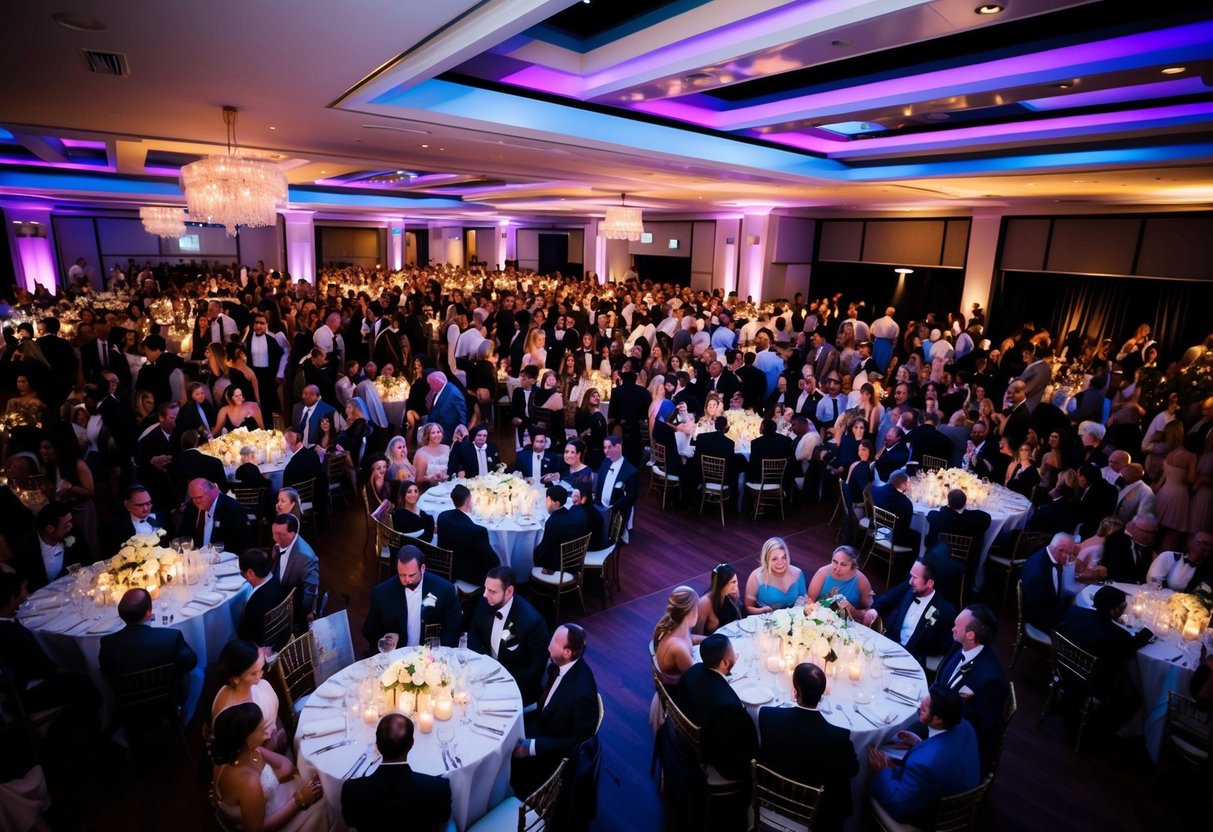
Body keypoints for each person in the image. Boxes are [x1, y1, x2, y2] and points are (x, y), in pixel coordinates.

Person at [758, 663, 858, 832]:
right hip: (816, 811)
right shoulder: (838, 737)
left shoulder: (767, 716)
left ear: (795, 691)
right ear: (822, 694)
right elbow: (853, 770)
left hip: (776, 796)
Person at [868, 686, 981, 827]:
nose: (920, 705)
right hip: (959, 789)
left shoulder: (925, 765)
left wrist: (882, 771)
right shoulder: (965, 726)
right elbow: (943, 752)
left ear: (938, 720)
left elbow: (898, 806)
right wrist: (920, 745)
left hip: (933, 818)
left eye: (925, 709)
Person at [210, 702, 328, 832]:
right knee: (325, 806)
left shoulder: (240, 753)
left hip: (277, 796)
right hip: (274, 819)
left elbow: (287, 765)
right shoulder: (248, 781)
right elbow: (256, 829)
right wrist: (300, 800)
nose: (269, 733)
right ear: (245, 738)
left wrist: (278, 776)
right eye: (261, 730)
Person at [511, 624, 599, 796]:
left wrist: (531, 747)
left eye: (553, 642)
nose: (548, 646)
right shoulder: (561, 664)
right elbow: (545, 701)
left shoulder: (581, 694)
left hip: (550, 752)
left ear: (567, 652)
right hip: (543, 723)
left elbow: (577, 741)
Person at [1055, 586, 1152, 734]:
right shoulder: (1117, 635)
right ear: (1114, 611)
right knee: (1134, 693)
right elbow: (1128, 649)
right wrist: (1147, 634)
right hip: (1088, 682)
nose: (1123, 610)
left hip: (1063, 667)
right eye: (1122, 607)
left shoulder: (1074, 611)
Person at [98, 588, 203, 726]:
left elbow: (106, 673)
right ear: (148, 614)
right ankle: (185, 718)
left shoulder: (107, 643)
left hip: (130, 706)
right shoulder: (170, 637)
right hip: (166, 701)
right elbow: (191, 662)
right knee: (198, 674)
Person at [341, 714, 452, 832]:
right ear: (412, 744)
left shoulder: (352, 791)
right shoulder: (437, 789)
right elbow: (443, 820)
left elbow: (350, 821)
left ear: (377, 744)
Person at [934, 605, 1010, 775]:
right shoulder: (958, 644)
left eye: (957, 626)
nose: (952, 629)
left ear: (970, 635)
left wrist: (939, 723)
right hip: (936, 715)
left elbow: (984, 729)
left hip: (953, 740)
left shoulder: (991, 679)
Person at [675, 633, 757, 783]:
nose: (735, 655)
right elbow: (737, 752)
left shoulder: (693, 670)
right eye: (733, 653)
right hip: (711, 754)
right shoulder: (729, 706)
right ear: (725, 663)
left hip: (687, 734)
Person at [466, 566, 550, 705]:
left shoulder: (532, 622)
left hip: (516, 685)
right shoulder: (486, 602)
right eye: (486, 588)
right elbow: (474, 633)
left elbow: (536, 668)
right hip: (485, 675)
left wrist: (501, 680)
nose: (485, 595)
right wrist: (479, 664)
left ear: (509, 592)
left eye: (492, 591)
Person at [362, 546, 462, 650]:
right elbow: (369, 631)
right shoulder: (382, 592)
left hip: (430, 655)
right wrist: (386, 640)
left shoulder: (445, 590)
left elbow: (453, 629)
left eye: (411, 575)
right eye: (401, 575)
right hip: (396, 655)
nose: (406, 580)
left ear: (422, 568)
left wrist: (435, 653)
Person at [862, 559, 957, 668]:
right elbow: (887, 599)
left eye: (915, 578)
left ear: (930, 583)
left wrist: (921, 660)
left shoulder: (945, 612)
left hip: (913, 662)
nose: (910, 581)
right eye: (911, 576)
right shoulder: (908, 588)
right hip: (889, 649)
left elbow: (943, 648)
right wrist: (874, 610)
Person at [212, 638, 286, 751]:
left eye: (261, 669)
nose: (261, 675)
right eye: (254, 673)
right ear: (235, 679)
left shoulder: (252, 685)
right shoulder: (234, 714)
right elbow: (244, 749)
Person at [650, 587, 700, 730]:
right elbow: (697, 681)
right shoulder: (678, 648)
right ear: (690, 612)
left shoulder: (672, 626)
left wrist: (710, 639)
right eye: (696, 608)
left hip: (677, 685)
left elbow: (689, 638)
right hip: (680, 697)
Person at [434, 484, 501, 586]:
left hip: (445, 569)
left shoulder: (443, 516)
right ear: (468, 502)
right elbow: (494, 562)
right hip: (469, 577)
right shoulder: (477, 531)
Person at [12, 502, 85, 591]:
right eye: (66, 525)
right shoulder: (25, 549)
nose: (71, 526)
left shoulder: (75, 536)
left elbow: (85, 565)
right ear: (50, 528)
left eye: (70, 521)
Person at [270, 514, 319, 633]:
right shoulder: (280, 544)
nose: (275, 538)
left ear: (292, 534)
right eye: (273, 533)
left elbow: (310, 591)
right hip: (276, 593)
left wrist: (303, 614)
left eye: (279, 535)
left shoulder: (306, 557)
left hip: (291, 607)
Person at [1020, 532, 1078, 632]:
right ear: (1060, 550)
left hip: (1052, 607)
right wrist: (1063, 625)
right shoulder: (1037, 574)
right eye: (1070, 554)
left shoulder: (1050, 553)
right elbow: (1036, 610)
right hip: (1039, 620)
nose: (1070, 557)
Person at [178, 477, 251, 553]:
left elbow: (243, 542)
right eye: (193, 498)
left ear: (212, 493)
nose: (197, 501)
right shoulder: (192, 508)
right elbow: (182, 534)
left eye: (199, 497)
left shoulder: (232, 508)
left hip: (224, 556)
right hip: (195, 556)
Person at [237, 548, 288, 647]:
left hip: (258, 646)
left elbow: (245, 634)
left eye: (243, 573)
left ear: (250, 573)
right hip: (279, 637)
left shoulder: (256, 604)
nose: (243, 576)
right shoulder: (276, 582)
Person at [100, 484, 166, 558]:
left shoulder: (162, 517)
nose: (146, 509)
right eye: (139, 505)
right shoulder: (115, 527)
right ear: (127, 504)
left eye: (148, 503)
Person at [533, 485, 588, 573]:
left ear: (556, 503)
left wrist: (534, 553)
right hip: (574, 561)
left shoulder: (552, 522)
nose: (545, 504)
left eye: (547, 501)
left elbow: (544, 549)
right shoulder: (570, 514)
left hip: (557, 566)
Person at [807, 545, 873, 618]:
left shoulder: (862, 581)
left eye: (843, 564)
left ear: (853, 566)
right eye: (835, 562)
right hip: (819, 616)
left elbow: (868, 609)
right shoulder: (822, 573)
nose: (837, 568)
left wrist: (853, 611)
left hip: (848, 621)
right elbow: (810, 600)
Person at [744, 536, 807, 614]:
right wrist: (764, 610)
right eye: (774, 559)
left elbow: (805, 602)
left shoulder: (798, 573)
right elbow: (749, 607)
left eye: (784, 557)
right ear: (766, 559)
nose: (780, 563)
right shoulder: (755, 577)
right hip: (767, 619)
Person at [594, 434, 640, 538]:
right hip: (600, 508)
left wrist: (613, 509)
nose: (606, 451)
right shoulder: (605, 462)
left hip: (616, 512)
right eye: (604, 447)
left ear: (618, 447)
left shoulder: (631, 471)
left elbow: (632, 497)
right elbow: (599, 484)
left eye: (609, 447)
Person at [1146, 531, 1213, 592]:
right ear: (1190, 542)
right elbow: (1153, 580)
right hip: (1156, 597)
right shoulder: (1168, 556)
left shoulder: (1208, 571)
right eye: (1199, 542)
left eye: (1207, 544)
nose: (1203, 546)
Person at [1102, 513, 1158, 584]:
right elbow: (1114, 570)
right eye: (1142, 531)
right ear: (1132, 527)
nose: (1145, 535)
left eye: (1149, 532)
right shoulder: (1116, 540)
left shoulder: (1150, 550)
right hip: (1115, 584)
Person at [694, 563, 742, 637]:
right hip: (715, 642)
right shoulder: (704, 603)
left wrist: (735, 599)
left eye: (736, 581)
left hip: (734, 636)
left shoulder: (731, 594)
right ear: (721, 584)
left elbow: (737, 617)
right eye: (732, 582)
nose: (735, 586)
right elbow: (697, 635)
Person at [413, 422, 451, 487]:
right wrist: (430, 479)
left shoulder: (447, 448)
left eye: (438, 432)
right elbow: (418, 480)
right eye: (433, 433)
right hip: (428, 488)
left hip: (448, 485)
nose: (437, 435)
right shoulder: (421, 453)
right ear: (428, 435)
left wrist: (446, 477)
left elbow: (452, 470)